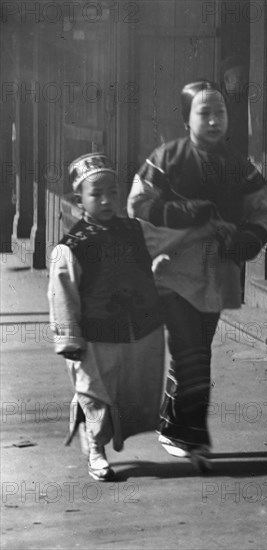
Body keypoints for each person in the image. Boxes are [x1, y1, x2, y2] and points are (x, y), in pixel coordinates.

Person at [127, 80, 267, 469]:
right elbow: (137, 202)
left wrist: (245, 239)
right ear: (186, 118)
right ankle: (191, 437)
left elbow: (264, 210)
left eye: (220, 113)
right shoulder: (166, 157)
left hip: (217, 272)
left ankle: (171, 423)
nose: (213, 121)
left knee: (195, 350)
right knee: (191, 350)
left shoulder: (240, 165)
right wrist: (183, 214)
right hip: (173, 270)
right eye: (204, 113)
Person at [47, 152, 210, 480]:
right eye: (96, 194)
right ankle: (95, 449)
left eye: (112, 192)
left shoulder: (134, 230)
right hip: (95, 336)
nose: (106, 200)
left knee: (124, 393)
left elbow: (169, 238)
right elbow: (61, 296)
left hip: (138, 330)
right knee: (95, 392)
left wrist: (203, 229)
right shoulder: (71, 247)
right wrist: (69, 338)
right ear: (80, 199)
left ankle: (98, 437)